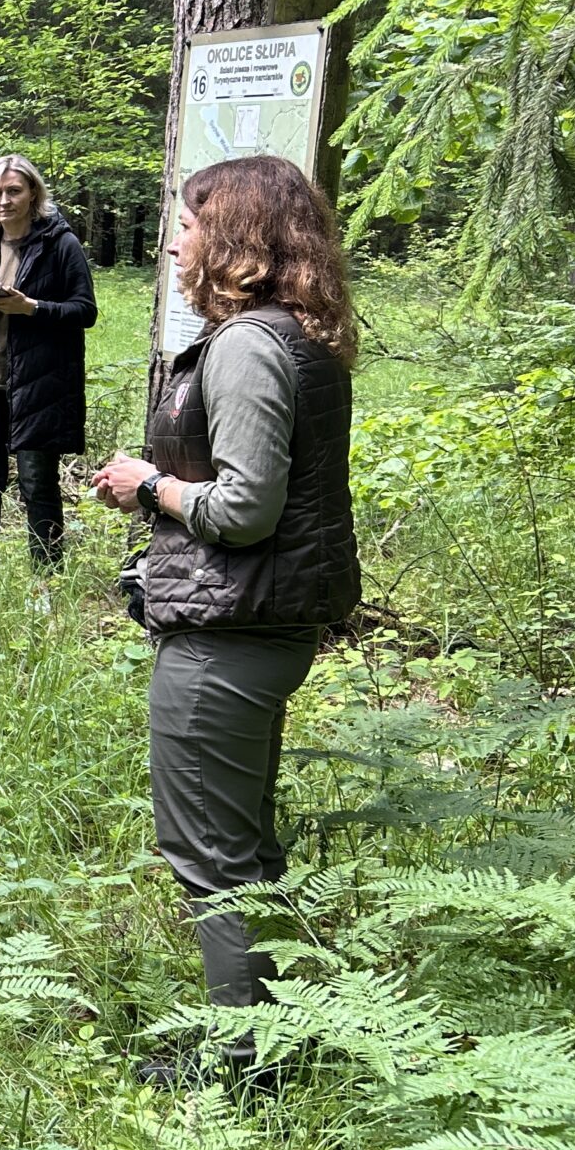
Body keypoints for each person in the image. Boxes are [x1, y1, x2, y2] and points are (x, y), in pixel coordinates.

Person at [90, 154, 361, 1088]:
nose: (174, 243)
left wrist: (149, 485)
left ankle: (247, 1070)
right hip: (256, 623)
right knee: (242, 842)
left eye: (189, 224)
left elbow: (245, 508)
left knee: (208, 850)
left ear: (236, 238)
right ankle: (284, 1039)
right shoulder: (294, 334)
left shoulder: (248, 344)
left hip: (230, 632)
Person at [0, 154, 97, 575]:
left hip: (39, 385)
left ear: (33, 194)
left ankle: (45, 582)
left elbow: (85, 311)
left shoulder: (60, 244)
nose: (4, 201)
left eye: (14, 191)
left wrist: (32, 307)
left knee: (37, 484)